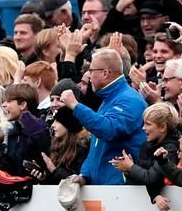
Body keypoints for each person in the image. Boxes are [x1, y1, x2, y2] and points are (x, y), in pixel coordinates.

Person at [60, 48, 147, 185]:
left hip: (122, 191)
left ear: (105, 73)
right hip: (104, 188)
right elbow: (97, 146)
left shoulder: (130, 100)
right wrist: (85, 175)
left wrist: (76, 106)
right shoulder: (108, 99)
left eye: (91, 71)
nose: (89, 76)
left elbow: (108, 130)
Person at [111, 103, 181, 211]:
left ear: (163, 127)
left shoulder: (171, 149)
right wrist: (127, 170)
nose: (143, 128)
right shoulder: (146, 146)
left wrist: (131, 167)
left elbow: (151, 177)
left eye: (148, 124)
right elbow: (142, 179)